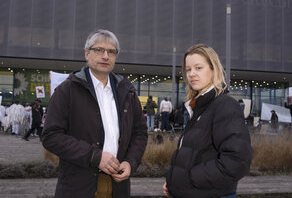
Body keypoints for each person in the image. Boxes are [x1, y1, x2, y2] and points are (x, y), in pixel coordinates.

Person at [41, 29, 148, 198]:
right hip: (79, 186)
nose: (105, 56)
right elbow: (51, 135)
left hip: (117, 185)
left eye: (111, 51)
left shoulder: (127, 91)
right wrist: (95, 156)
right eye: (99, 50)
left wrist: (131, 162)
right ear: (86, 54)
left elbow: (140, 133)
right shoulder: (67, 90)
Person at [163, 44, 252, 198]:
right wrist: (174, 183)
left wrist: (187, 180)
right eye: (188, 69)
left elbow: (237, 162)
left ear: (213, 69)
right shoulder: (199, 106)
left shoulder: (225, 106)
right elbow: (193, 154)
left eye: (198, 68)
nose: (191, 74)